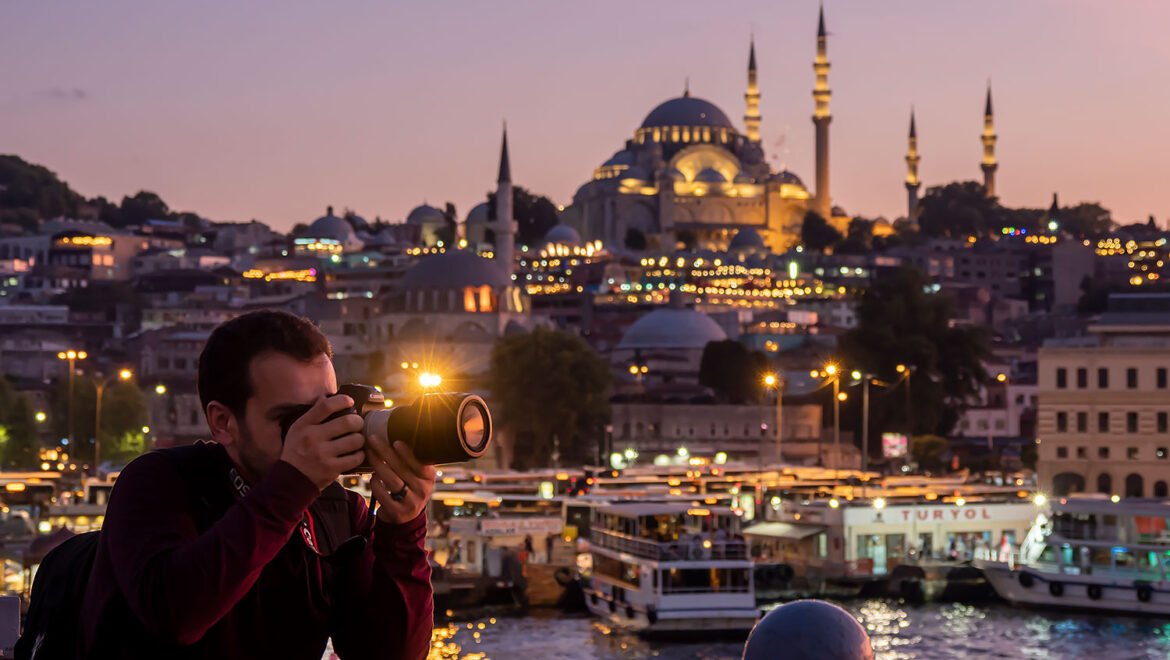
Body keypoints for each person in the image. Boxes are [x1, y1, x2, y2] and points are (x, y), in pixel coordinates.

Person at [80, 310, 436, 659]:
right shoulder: (159, 483)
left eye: (327, 412)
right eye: (293, 419)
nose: (313, 433)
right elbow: (175, 616)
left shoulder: (336, 511)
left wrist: (403, 532)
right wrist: (293, 485)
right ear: (223, 422)